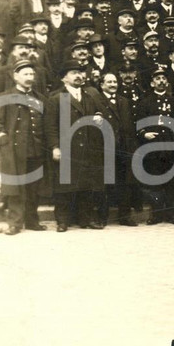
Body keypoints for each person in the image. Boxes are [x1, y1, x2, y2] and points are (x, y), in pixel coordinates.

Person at [44, 60, 108, 232]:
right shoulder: (56, 98)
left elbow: (99, 113)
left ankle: (85, 219)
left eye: (80, 72)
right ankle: (62, 221)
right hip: (67, 149)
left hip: (87, 148)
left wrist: (99, 117)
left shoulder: (90, 96)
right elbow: (50, 127)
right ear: (64, 78)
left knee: (86, 185)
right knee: (64, 186)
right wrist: (55, 147)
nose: (78, 76)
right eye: (73, 73)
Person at [0, 59, 48, 235]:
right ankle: (15, 222)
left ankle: (32, 220)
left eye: (31, 74)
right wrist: (3, 141)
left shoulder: (39, 98)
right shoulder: (4, 98)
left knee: (34, 187)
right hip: (14, 150)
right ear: (16, 77)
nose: (30, 77)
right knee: (15, 187)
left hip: (36, 149)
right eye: (25, 74)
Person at [136, 68, 174, 225]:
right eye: (157, 78)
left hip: (170, 146)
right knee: (154, 181)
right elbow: (138, 123)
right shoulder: (145, 102)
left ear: (167, 82)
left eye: (163, 78)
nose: (161, 81)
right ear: (152, 83)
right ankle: (155, 214)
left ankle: (171, 214)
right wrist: (144, 134)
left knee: (171, 182)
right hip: (152, 148)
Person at [98, 72, 139, 226]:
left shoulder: (124, 101)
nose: (113, 84)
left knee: (125, 183)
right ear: (102, 85)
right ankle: (102, 217)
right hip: (105, 148)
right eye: (109, 82)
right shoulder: (97, 101)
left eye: (115, 82)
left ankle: (125, 216)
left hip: (124, 148)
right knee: (104, 184)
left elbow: (129, 126)